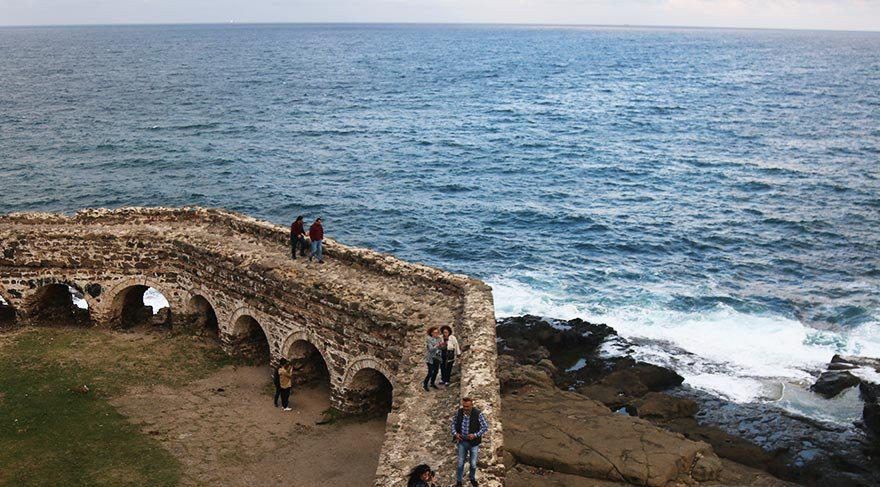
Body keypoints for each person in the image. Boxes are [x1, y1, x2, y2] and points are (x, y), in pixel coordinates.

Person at [451, 397, 488, 487]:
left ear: (472, 405)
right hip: (462, 441)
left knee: (473, 464)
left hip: (474, 443)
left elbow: (485, 427)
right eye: (464, 406)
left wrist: (475, 435)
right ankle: (459, 481)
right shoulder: (459, 412)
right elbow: (453, 424)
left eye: (467, 406)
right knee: (460, 463)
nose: (465, 408)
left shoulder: (478, 414)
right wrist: (455, 434)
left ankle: (472, 478)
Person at [423, 326, 442, 392]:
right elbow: (430, 349)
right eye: (435, 332)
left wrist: (442, 346)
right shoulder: (429, 339)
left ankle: (432, 383)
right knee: (430, 372)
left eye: (437, 332)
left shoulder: (439, 338)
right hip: (430, 358)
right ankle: (425, 384)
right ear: (431, 333)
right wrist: (437, 345)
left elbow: (440, 348)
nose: (436, 334)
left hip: (437, 357)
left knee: (436, 371)